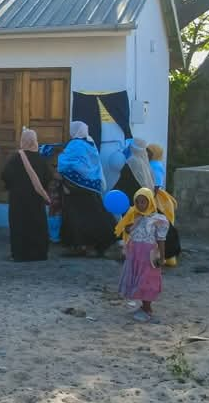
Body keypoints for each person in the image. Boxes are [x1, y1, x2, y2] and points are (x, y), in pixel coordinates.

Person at [57, 121, 116, 257]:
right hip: (91, 186)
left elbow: (65, 163)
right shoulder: (90, 144)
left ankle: (79, 245)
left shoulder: (75, 144)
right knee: (93, 215)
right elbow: (92, 164)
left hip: (75, 187)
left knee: (76, 217)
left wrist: (60, 155)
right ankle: (96, 244)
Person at [115, 188, 168, 322]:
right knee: (137, 280)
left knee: (147, 280)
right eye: (137, 202)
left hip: (148, 255)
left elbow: (161, 239)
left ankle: (148, 308)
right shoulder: (134, 216)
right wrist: (131, 223)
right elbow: (128, 230)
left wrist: (162, 257)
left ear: (150, 202)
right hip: (135, 255)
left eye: (143, 202)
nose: (140, 205)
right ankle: (143, 306)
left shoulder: (157, 219)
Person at [1, 128, 52, 262]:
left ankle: (20, 254)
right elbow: (48, 177)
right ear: (34, 141)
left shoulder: (15, 158)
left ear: (23, 141)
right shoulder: (41, 159)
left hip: (18, 199)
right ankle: (39, 254)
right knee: (37, 225)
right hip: (36, 200)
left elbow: (5, 175)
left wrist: (12, 187)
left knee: (19, 225)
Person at [114, 137, 155, 203]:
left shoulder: (132, 160)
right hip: (143, 196)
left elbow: (124, 177)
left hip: (132, 195)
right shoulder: (144, 162)